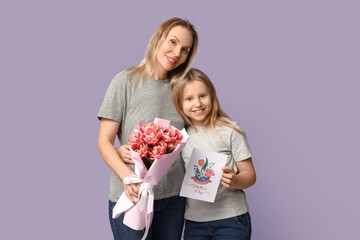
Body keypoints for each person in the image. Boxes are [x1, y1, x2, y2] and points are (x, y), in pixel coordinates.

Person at [97, 17, 198, 240]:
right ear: (158, 38)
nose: (176, 53)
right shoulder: (125, 82)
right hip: (132, 195)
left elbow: (198, 131)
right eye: (172, 42)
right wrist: (127, 177)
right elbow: (104, 142)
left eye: (185, 50)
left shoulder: (184, 88)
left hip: (173, 199)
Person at [171, 68, 256, 240]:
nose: (198, 103)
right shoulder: (179, 137)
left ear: (212, 95)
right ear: (179, 104)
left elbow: (250, 175)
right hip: (194, 222)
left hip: (231, 220)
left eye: (202, 96)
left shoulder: (230, 130)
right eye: (189, 99)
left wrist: (235, 180)